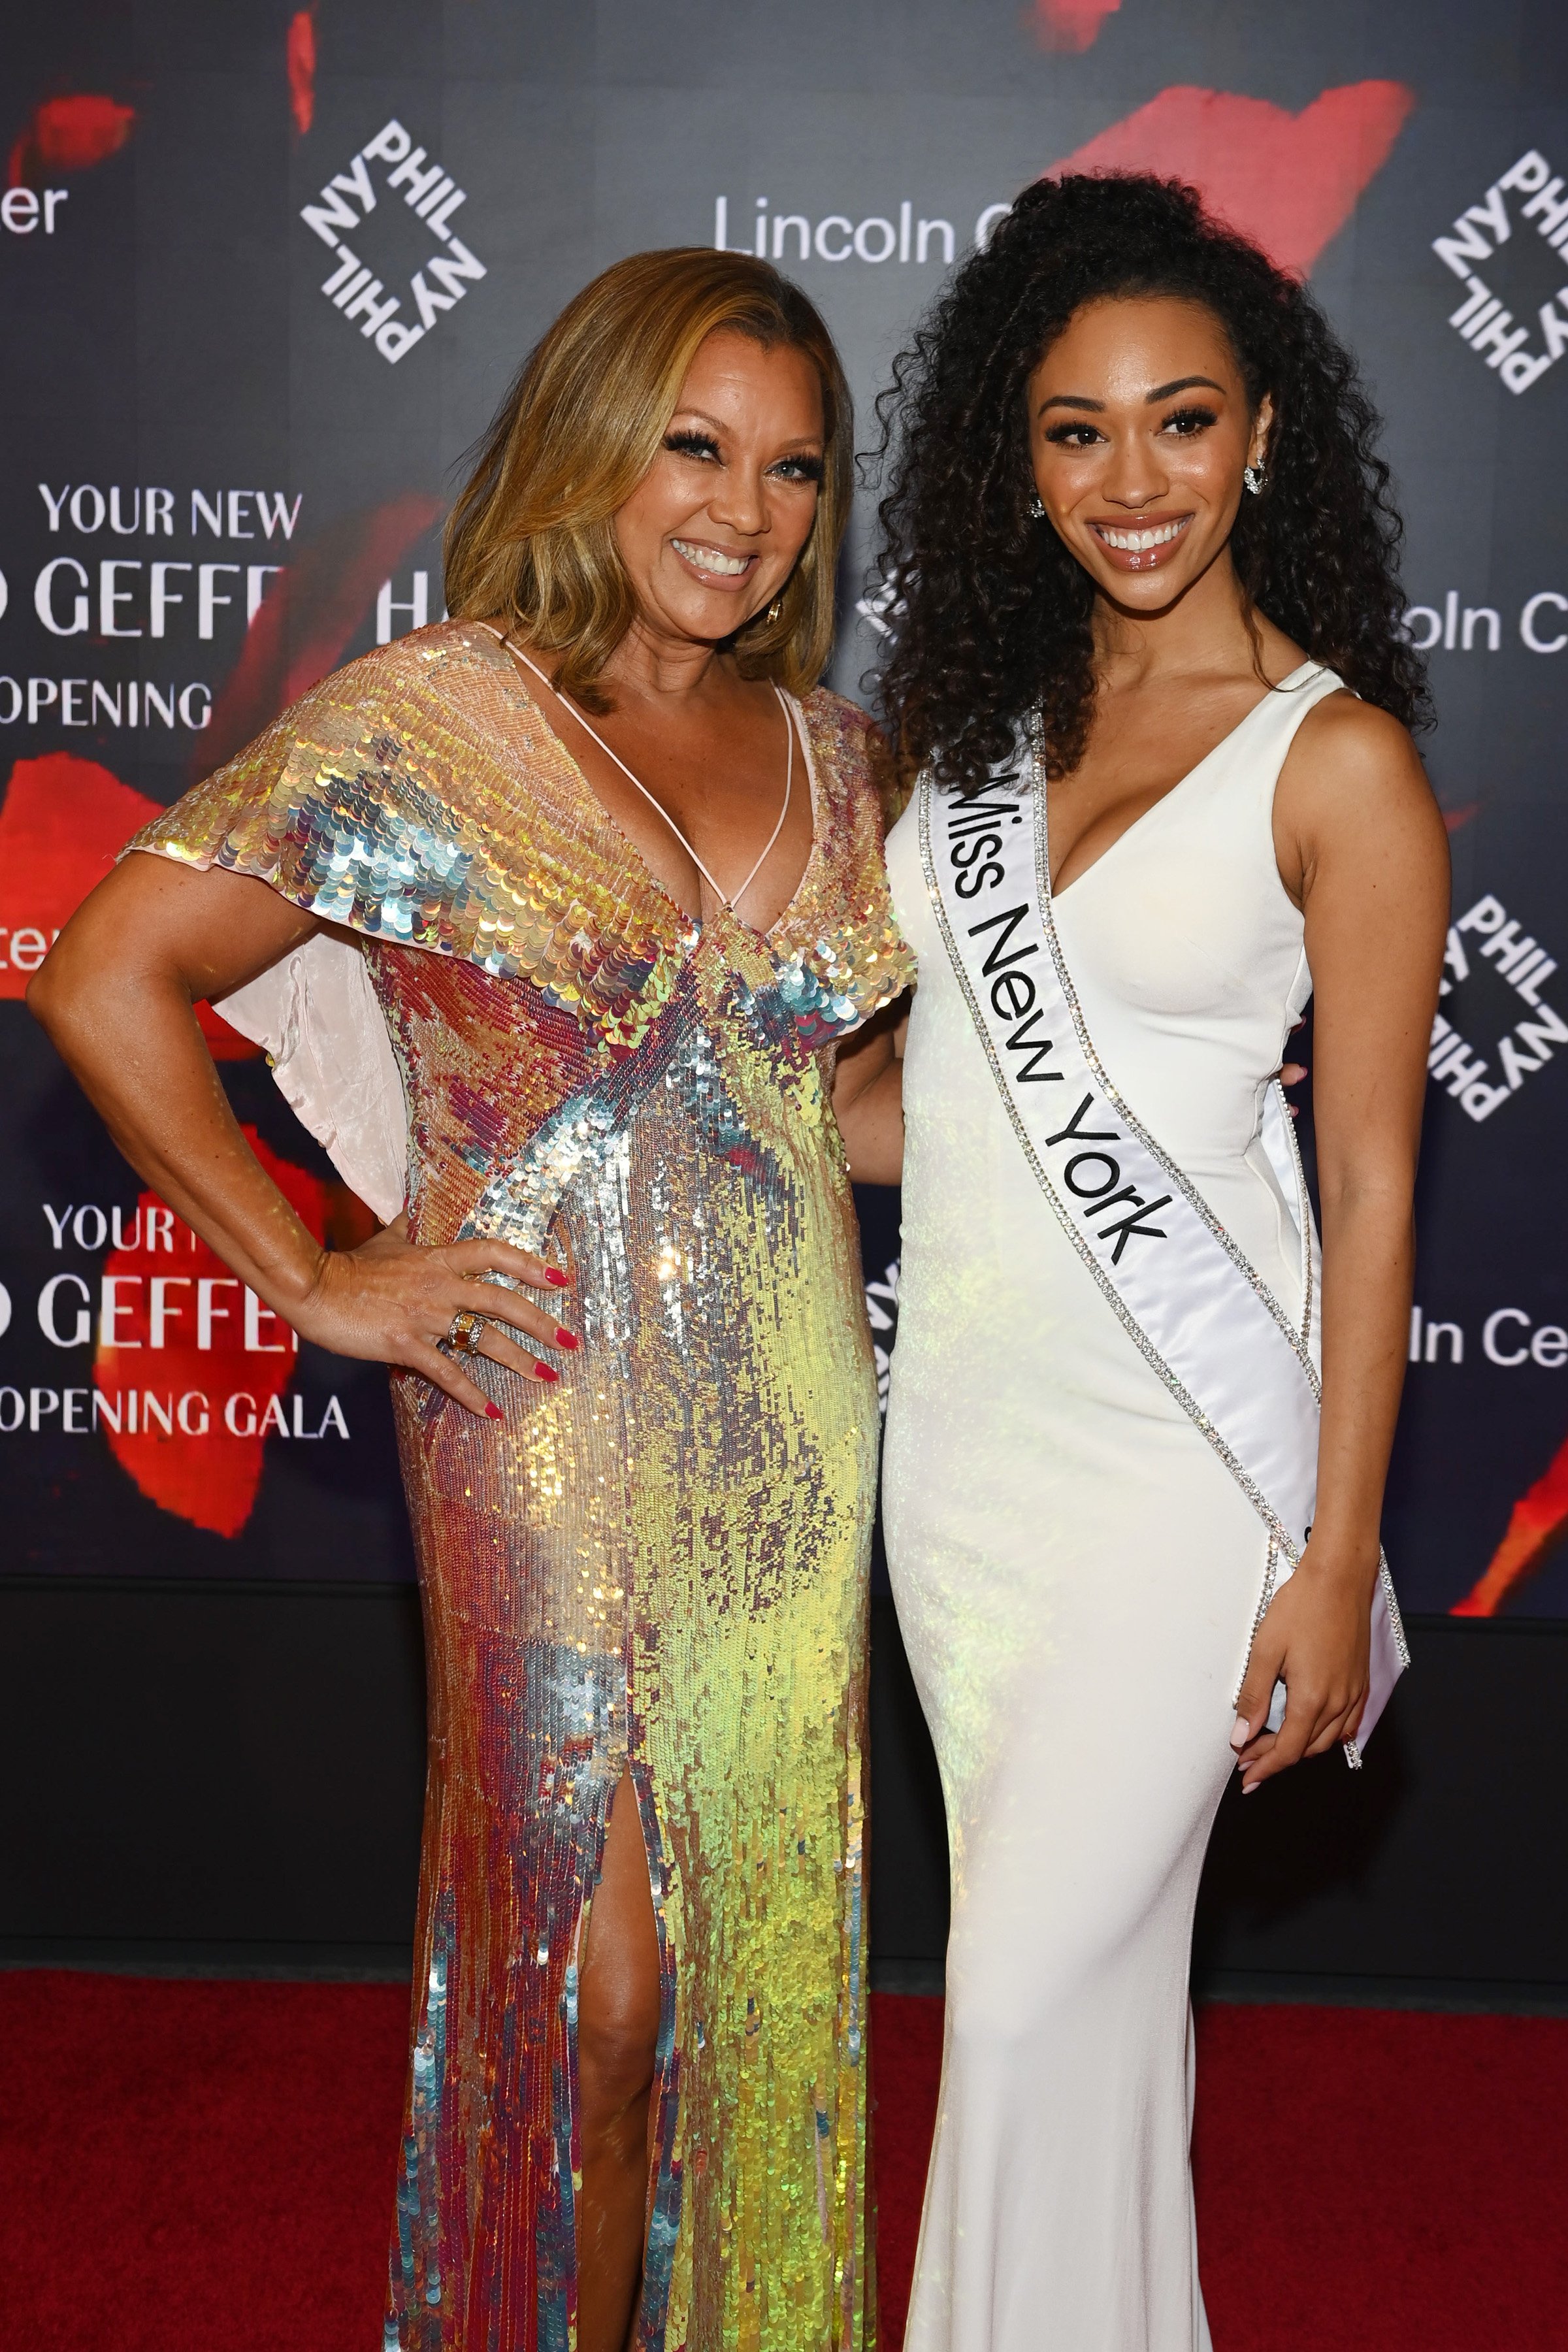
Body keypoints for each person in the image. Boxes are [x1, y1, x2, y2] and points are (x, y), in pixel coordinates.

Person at [29, 249, 912, 2352]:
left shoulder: (845, 756)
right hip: (532, 1406)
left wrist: (1152, 1132)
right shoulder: (438, 716)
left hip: (795, 1425)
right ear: (592, 445)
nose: (744, 507)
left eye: (794, 467)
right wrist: (316, 1274)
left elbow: (848, 1114)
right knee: (593, 1995)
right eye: (693, 445)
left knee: (749, 1979)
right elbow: (101, 973)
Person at [864, 173, 1452, 2348]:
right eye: (1078, 432)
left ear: (1266, 435)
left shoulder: (1344, 769)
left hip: (1179, 1484)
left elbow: (1378, 1194)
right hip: (967, 1472)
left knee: (1010, 2010)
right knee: (1083, 2015)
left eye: (1182, 423)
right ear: (1016, 462)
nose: (1135, 483)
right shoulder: (979, 746)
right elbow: (930, 1107)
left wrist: (1331, 1554)